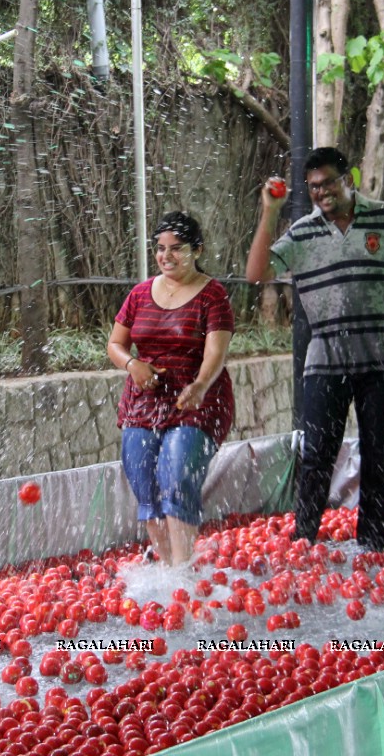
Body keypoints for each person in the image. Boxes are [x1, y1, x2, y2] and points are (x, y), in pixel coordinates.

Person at [247, 147, 384, 550]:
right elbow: (256, 273)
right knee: (316, 456)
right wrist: (270, 212)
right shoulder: (302, 233)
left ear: (348, 179)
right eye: (314, 186)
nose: (322, 192)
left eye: (329, 182)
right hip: (325, 364)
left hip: (382, 362)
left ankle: (374, 543)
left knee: (378, 455)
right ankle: (304, 541)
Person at [107, 212, 235, 566]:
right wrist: (132, 364)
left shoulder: (213, 295)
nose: (166, 256)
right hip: (143, 403)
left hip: (197, 401)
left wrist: (199, 385)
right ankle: (167, 571)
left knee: (176, 476)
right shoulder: (139, 294)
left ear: (197, 250)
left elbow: (216, 352)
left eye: (176, 249)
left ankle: (184, 573)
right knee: (144, 483)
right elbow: (115, 345)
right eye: (161, 249)